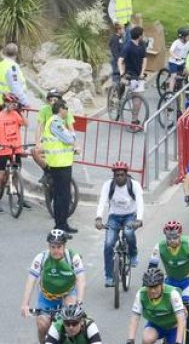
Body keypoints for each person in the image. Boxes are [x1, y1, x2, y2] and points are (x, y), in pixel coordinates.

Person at [22, 229, 86, 343]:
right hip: (47, 297)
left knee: (71, 319)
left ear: (64, 246)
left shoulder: (73, 257)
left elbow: (80, 280)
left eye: (59, 247)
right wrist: (25, 304)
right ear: (49, 246)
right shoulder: (41, 258)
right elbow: (31, 280)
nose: (56, 250)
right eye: (53, 247)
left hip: (67, 294)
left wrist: (79, 301)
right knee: (42, 325)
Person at [95, 161, 144, 288]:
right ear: (114, 175)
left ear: (126, 175)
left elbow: (140, 202)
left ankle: (133, 254)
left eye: (122, 175)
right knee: (108, 244)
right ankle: (109, 276)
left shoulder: (134, 185)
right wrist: (99, 218)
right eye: (117, 175)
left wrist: (138, 219)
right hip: (114, 217)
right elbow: (102, 201)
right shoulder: (108, 185)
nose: (119, 177)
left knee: (128, 232)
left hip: (130, 215)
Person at [42, 100, 78, 232]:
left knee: (65, 196)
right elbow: (69, 139)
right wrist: (73, 136)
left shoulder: (58, 122)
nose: (67, 111)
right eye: (66, 108)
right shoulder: (55, 122)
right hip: (59, 165)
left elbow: (64, 142)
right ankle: (59, 226)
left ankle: (64, 224)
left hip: (63, 164)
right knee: (61, 196)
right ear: (60, 109)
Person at [127, 268, 187, 344]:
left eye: (155, 287)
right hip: (156, 325)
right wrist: (130, 340)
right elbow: (135, 317)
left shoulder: (172, 294)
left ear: (162, 285)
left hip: (174, 327)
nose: (152, 291)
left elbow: (181, 319)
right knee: (147, 339)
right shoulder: (141, 294)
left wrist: (178, 341)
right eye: (150, 287)